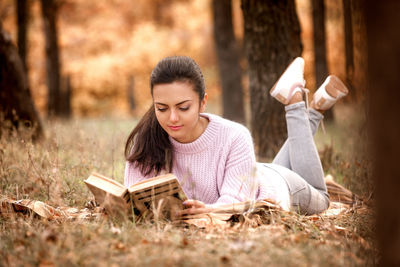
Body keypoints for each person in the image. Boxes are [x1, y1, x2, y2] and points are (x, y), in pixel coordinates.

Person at [124, 56, 348, 216]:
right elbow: (135, 198)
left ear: (203, 102)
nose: (172, 118)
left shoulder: (233, 136)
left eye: (183, 108)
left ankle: (295, 101)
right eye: (162, 108)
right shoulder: (145, 141)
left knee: (323, 198)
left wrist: (209, 211)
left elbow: (237, 206)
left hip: (277, 187)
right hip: (250, 174)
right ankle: (317, 109)